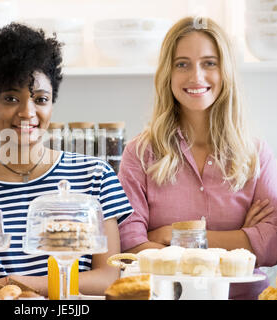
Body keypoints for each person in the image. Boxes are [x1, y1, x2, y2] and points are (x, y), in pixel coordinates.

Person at [0, 23, 133, 296]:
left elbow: (109, 279)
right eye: (11, 98)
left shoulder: (95, 177)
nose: (27, 112)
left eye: (40, 98)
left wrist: (23, 285)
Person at [118, 16, 277, 300]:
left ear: (225, 71)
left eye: (209, 63)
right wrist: (241, 239)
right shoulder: (140, 153)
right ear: (168, 73)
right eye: (182, 64)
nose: (196, 76)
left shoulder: (256, 154)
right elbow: (130, 245)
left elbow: (271, 244)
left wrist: (171, 237)